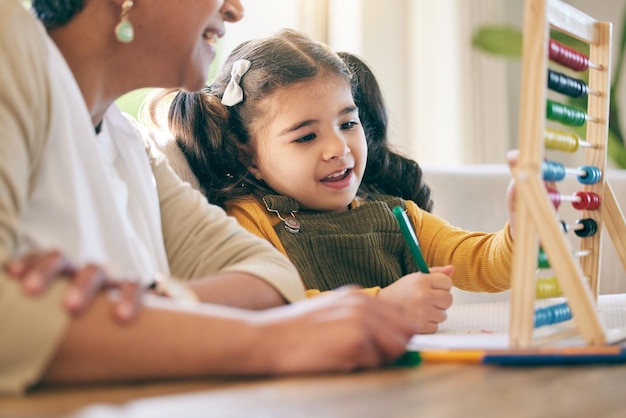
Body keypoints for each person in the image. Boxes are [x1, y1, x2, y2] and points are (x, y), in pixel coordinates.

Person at [0, 0, 416, 395]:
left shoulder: (123, 137)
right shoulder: (10, 49)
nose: (235, 10)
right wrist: (271, 342)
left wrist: (149, 302)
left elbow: (272, 274)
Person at [159, 29, 516, 335]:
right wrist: (385, 304)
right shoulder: (249, 222)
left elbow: (487, 264)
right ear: (247, 156)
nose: (338, 148)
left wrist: (520, 228)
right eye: (305, 137)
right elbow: (273, 306)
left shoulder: (397, 215)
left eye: (347, 124)